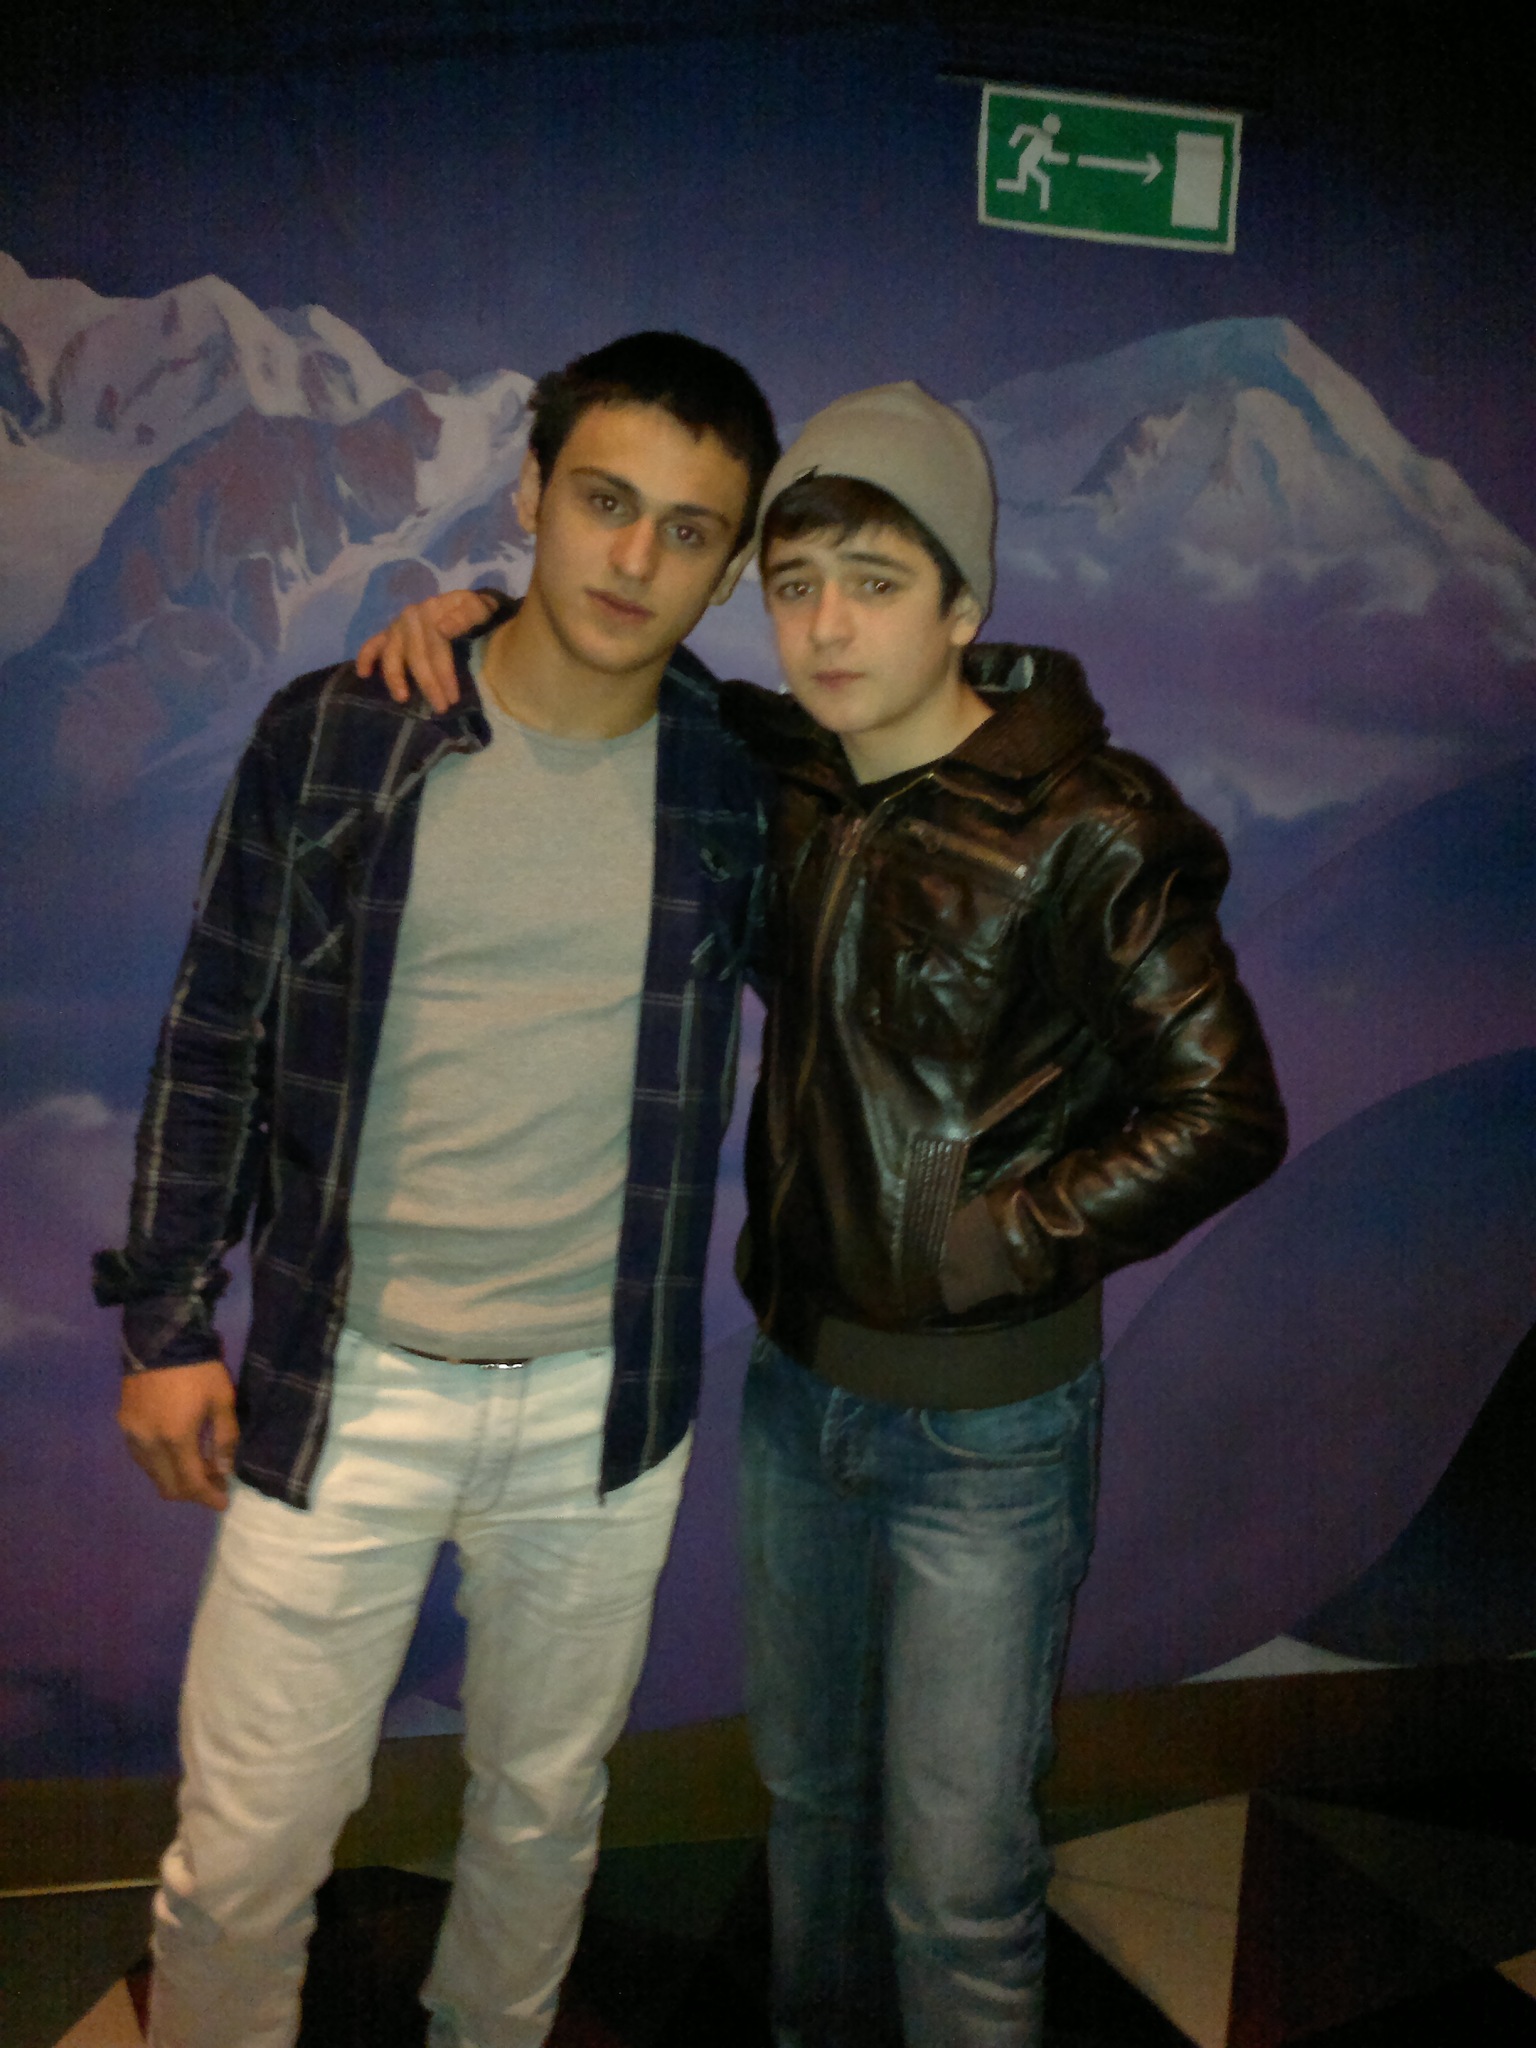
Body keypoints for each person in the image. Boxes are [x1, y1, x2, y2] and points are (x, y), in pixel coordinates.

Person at [369, 380, 1287, 2047]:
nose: (828, 626)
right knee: (811, 1809)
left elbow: (1226, 1112)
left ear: (964, 603)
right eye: (796, 585)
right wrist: (481, 612)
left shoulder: (1094, 828)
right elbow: (630, 658)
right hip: (800, 1402)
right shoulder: (789, 770)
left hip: (990, 1436)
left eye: (876, 581)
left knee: (958, 1876)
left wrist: (996, 1240)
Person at [92, 330, 780, 2048]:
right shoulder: (342, 733)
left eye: (690, 529)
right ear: (530, 494)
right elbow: (216, 1033)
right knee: (246, 1851)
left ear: (729, 565)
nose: (635, 557)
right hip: (348, 1386)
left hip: (603, 1408)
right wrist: (167, 1321)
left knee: (543, 1816)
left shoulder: (737, 780)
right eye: (605, 500)